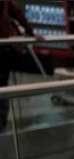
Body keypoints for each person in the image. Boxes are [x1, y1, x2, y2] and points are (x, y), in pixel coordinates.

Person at [1, 0, 34, 132]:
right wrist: (31, 33)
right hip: (4, 49)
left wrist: (31, 33)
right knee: (2, 87)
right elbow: (18, 13)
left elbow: (17, 13)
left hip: (3, 49)